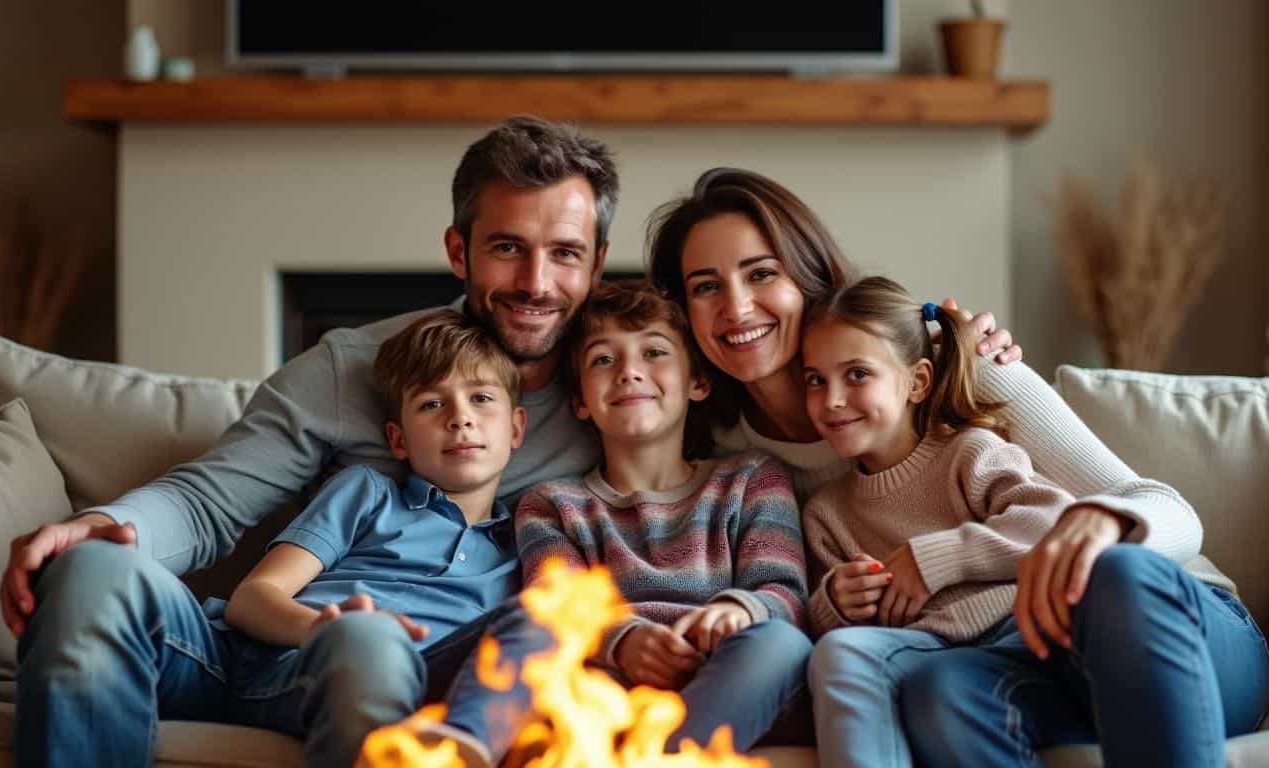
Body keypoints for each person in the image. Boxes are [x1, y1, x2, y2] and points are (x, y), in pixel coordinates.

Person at [8, 116, 617, 768]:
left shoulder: (627, 392)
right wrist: (107, 522)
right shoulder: (349, 368)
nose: (535, 282)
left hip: (389, 661)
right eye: (506, 247)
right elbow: (208, 502)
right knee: (90, 567)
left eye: (565, 253)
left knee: (378, 646)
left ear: (597, 262)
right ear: (459, 250)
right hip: (233, 650)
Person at [644, 169, 1264, 765]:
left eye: (761, 273)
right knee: (941, 695)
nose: (737, 305)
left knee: (1118, 576)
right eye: (705, 286)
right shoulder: (728, 460)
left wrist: (1099, 524)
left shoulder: (960, 366)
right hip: (1017, 663)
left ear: (806, 276)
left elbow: (1169, 511)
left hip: (1170, 626)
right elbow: (810, 619)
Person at [804, 277, 1269, 767]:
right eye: (814, 379)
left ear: (918, 381)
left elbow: (1054, 519)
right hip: (1037, 661)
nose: (832, 398)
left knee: (1116, 570)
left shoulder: (971, 445)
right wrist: (838, 600)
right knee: (939, 690)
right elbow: (828, 619)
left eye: (856, 374)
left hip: (1181, 631)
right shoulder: (827, 510)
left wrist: (938, 558)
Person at [219, 311, 544, 766]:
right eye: (432, 404)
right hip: (307, 663)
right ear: (398, 440)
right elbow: (252, 599)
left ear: (515, 428)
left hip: (426, 680)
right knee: (367, 640)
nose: (460, 419)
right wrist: (327, 628)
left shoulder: (528, 540)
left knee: (544, 617)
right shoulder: (367, 492)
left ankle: (464, 743)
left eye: (482, 398)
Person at [513, 280, 813, 753]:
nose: (629, 372)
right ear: (580, 402)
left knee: (781, 644)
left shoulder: (752, 479)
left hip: (734, 677)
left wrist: (736, 612)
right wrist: (625, 641)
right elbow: (555, 615)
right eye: (603, 359)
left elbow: (784, 594)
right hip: (618, 698)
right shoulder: (550, 506)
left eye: (653, 352)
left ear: (698, 382)